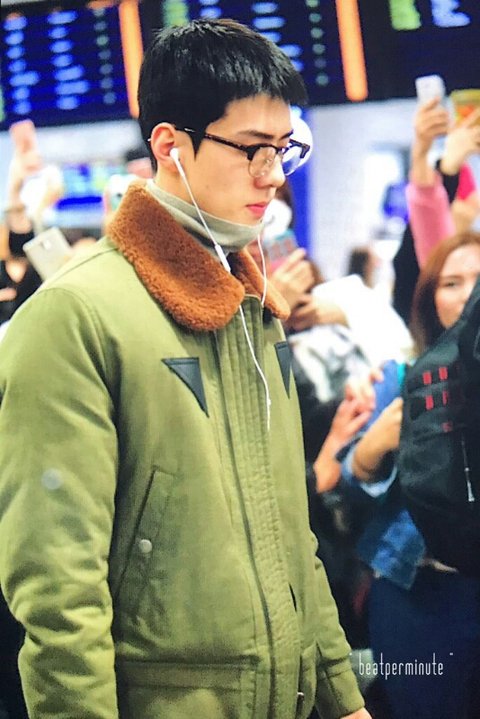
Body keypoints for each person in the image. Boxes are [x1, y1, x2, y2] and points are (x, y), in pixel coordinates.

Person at [0, 19, 370, 719]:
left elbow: (294, 537)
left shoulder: (253, 309)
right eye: (251, 149)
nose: (273, 176)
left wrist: (342, 694)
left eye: (284, 149)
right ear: (169, 144)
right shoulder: (74, 314)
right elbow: (57, 584)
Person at [322, 231, 480, 719]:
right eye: (451, 282)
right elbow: (348, 495)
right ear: (430, 298)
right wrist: (372, 449)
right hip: (416, 590)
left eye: (479, 281)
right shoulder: (398, 378)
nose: (468, 294)